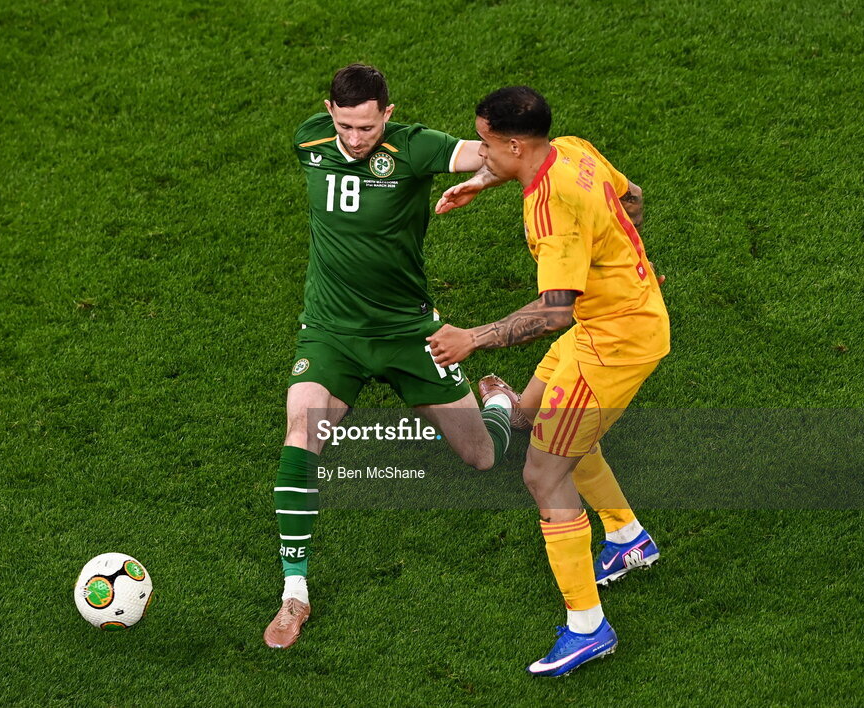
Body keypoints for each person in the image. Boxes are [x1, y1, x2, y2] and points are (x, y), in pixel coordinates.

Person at [264, 65, 517, 649]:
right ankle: (294, 594)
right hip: (331, 332)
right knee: (301, 428)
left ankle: (500, 405)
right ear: (329, 111)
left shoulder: (416, 146)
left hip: (407, 332)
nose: (356, 139)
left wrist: (480, 182)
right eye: (347, 125)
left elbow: (500, 155)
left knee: (481, 458)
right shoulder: (308, 140)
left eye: (369, 127)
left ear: (388, 113)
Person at [427, 86, 670, 677]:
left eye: (486, 146)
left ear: (513, 142)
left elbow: (555, 311)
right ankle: (628, 537)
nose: (480, 153)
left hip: (609, 345)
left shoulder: (550, 208)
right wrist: (484, 183)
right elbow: (631, 199)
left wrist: (472, 338)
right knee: (532, 415)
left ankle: (588, 626)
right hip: (624, 317)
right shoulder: (571, 149)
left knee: (543, 472)